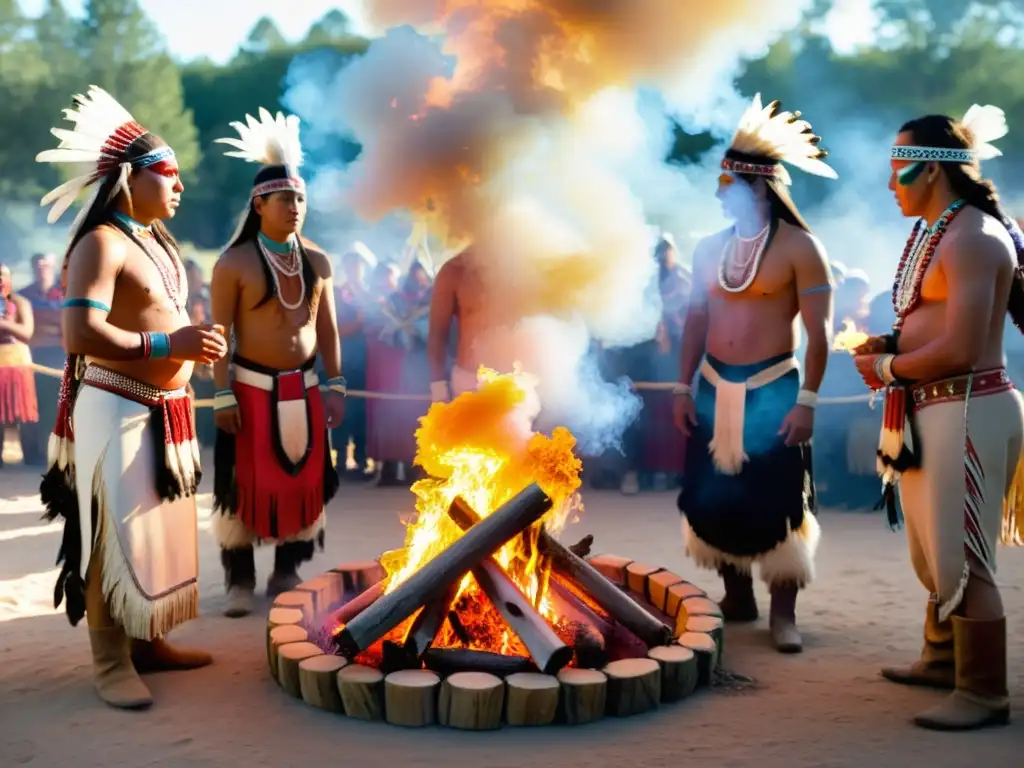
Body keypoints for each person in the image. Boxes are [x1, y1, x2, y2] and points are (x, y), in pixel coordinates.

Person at [34, 86, 227, 708]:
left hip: (164, 413)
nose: (178, 187)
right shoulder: (102, 243)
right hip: (115, 405)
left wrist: (193, 347)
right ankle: (109, 660)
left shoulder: (159, 242)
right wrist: (168, 343)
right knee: (108, 535)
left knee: (154, 532)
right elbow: (79, 333)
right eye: (169, 174)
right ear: (128, 179)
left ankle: (149, 642)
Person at [852, 105, 1023, 731]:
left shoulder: (974, 237)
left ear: (932, 171)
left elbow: (961, 346)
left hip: (969, 406)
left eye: (899, 170)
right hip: (936, 408)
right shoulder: (941, 232)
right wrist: (890, 350)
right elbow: (934, 333)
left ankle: (984, 693)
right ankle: (943, 656)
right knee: (932, 553)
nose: (890, 183)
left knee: (963, 557)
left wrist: (889, 371)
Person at [672, 94, 837, 653]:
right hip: (714, 387)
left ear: (759, 188)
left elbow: (820, 334)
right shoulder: (707, 249)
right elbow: (695, 319)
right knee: (712, 496)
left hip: (774, 389)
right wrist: (680, 386)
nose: (719, 194)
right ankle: (737, 597)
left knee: (780, 499)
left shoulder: (800, 248)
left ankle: (782, 616)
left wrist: (808, 400)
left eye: (728, 184)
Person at [210, 107, 345, 618]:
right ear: (259, 203)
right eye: (286, 199)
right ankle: (238, 579)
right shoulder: (234, 263)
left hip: (307, 388)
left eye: (301, 198)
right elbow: (219, 337)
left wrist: (338, 384)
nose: (296, 207)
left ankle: (288, 568)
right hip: (248, 389)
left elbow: (327, 329)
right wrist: (222, 393)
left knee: (304, 481)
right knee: (242, 483)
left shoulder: (317, 259)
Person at [17, 253, 62, 466]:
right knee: (30, 407)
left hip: (62, 358)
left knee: (58, 408)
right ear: (32, 267)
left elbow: (68, 324)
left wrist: (42, 326)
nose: (42, 268)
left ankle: (54, 455)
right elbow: (26, 331)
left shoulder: (67, 293)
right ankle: (32, 456)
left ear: (54, 266)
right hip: (31, 358)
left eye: (46, 264)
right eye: (38, 265)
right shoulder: (22, 296)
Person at [0, 263, 38, 464]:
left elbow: (27, 332)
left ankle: (32, 457)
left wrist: (4, 323)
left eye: (3, 276)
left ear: (10, 279)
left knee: (24, 414)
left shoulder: (20, 302)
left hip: (18, 362)